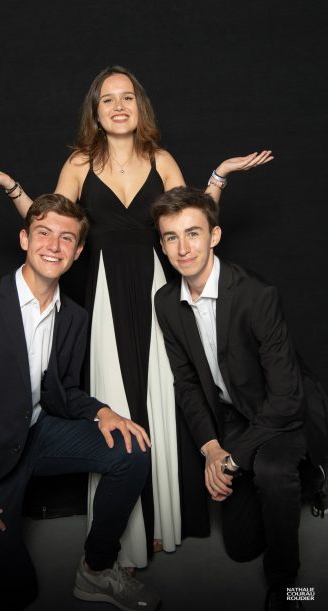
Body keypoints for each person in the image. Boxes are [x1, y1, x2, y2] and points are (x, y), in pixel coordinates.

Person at [0, 65, 273, 567]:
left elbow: (193, 221)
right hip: (102, 295)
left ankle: (163, 522)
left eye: (127, 97)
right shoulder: (79, 163)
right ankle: (128, 531)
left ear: (140, 107)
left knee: (163, 399)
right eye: (108, 99)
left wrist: (219, 178)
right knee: (119, 404)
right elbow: (51, 224)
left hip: (156, 291)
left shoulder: (161, 160)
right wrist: (11, 186)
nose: (119, 106)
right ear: (96, 112)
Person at [0, 193, 161, 611]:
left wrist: (103, 412)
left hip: (38, 434)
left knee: (133, 448)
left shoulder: (75, 317)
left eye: (66, 238)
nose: (54, 245)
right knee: (14, 593)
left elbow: (63, 391)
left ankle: (96, 568)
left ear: (78, 251)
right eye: (43, 233)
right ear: (24, 239)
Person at [152, 185, 328, 611]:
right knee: (241, 547)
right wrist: (211, 448)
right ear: (162, 244)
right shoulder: (166, 302)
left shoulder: (256, 294)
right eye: (171, 237)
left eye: (193, 233)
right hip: (234, 415)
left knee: (270, 468)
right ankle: (306, 481)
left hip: (284, 410)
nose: (183, 248)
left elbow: (286, 398)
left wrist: (231, 460)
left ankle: (287, 587)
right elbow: (187, 383)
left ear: (214, 235)